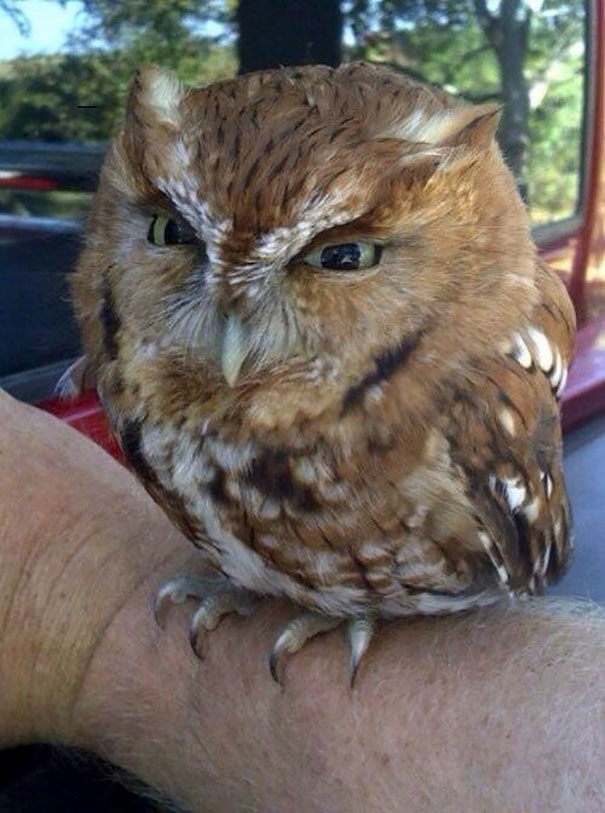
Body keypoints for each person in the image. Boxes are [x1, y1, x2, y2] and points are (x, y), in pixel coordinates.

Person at [0, 388, 603, 811]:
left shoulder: (460, 386)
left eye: (342, 257)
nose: (235, 323)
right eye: (168, 233)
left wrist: (92, 612)